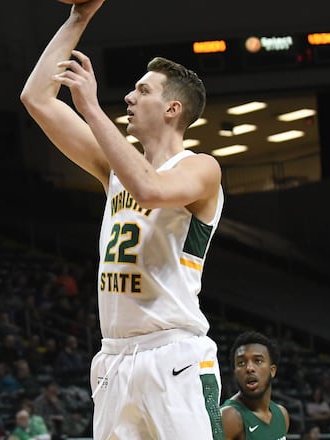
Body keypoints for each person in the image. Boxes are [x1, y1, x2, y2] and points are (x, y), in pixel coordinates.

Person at [20, 1, 225, 438]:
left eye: (143, 91)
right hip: (114, 357)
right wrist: (78, 18)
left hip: (173, 354)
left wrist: (92, 110)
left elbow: (150, 188)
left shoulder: (202, 168)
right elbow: (36, 99)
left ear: (173, 109)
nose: (129, 97)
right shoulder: (116, 168)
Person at [221, 331, 289, 440]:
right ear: (235, 373)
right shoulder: (228, 417)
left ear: (272, 370)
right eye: (241, 363)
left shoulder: (282, 414)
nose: (249, 368)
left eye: (258, 360)